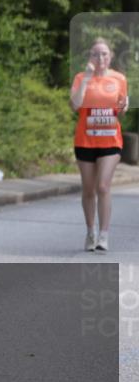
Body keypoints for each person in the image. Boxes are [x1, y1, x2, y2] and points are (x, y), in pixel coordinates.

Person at [69, 37, 129, 252]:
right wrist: (86, 78)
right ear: (90, 57)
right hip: (85, 140)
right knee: (88, 189)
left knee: (103, 186)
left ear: (110, 57)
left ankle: (104, 235)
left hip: (111, 140)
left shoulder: (119, 79)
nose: (100, 57)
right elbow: (75, 105)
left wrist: (123, 107)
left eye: (104, 54)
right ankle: (90, 232)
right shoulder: (80, 78)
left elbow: (121, 109)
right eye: (95, 54)